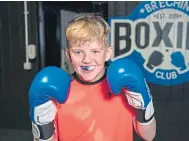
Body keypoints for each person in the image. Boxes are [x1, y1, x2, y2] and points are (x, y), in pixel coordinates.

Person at [29, 13, 156, 141]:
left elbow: (149, 135)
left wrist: (144, 103)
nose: (87, 60)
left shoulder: (125, 88)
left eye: (95, 51)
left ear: (107, 53)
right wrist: (42, 123)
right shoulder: (58, 91)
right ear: (68, 55)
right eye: (78, 52)